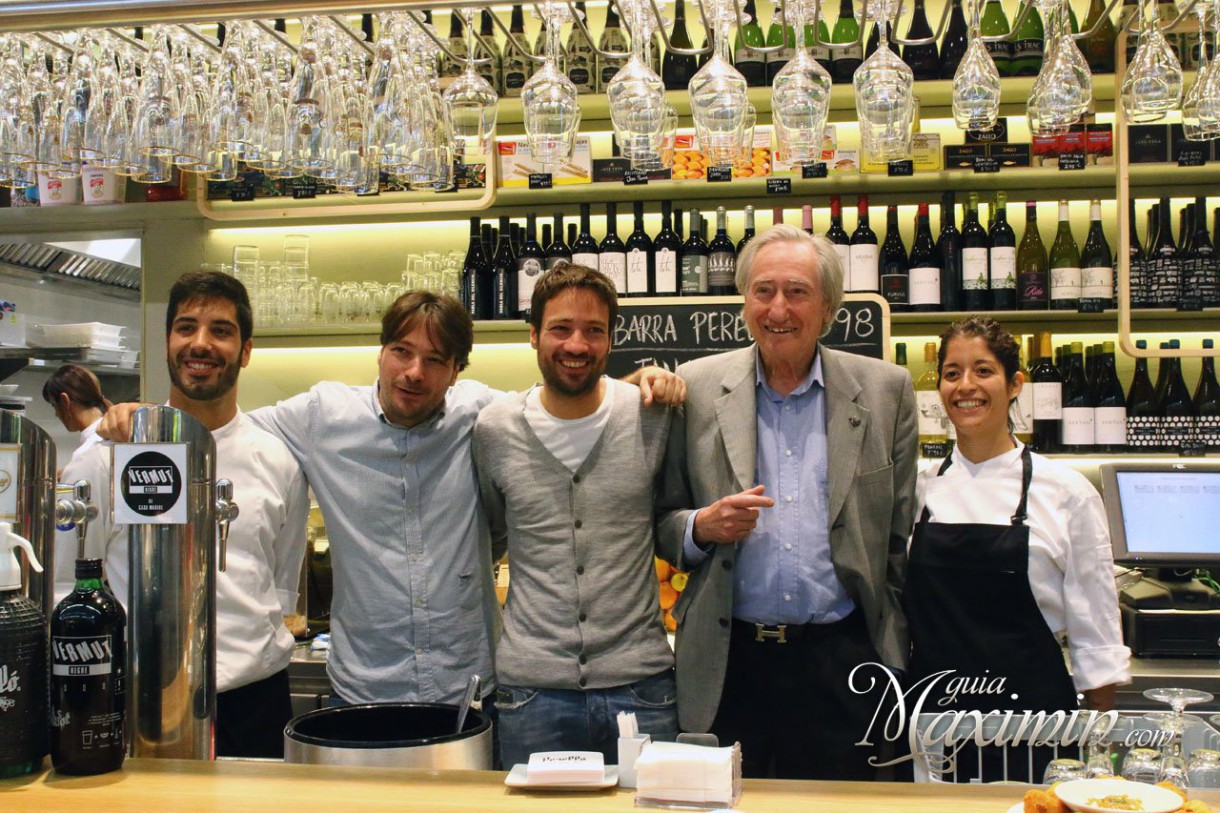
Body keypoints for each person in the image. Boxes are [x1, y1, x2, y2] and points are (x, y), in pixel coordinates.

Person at [97, 289, 681, 709]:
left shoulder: (486, 415)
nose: (413, 373)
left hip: (469, 692)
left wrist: (636, 382)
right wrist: (147, 419)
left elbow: (563, 398)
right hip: (363, 691)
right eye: (401, 351)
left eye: (434, 361)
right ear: (380, 351)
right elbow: (223, 425)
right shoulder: (321, 415)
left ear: (456, 372)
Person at [655, 224, 918, 780]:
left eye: (797, 291)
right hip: (731, 661)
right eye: (763, 290)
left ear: (828, 308)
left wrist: (888, 654)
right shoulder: (695, 388)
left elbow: (898, 540)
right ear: (744, 301)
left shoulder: (885, 391)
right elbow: (661, 520)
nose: (779, 308)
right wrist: (702, 527)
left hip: (845, 661)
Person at [95, 270, 310, 759]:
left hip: (254, 703)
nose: (201, 343)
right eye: (186, 327)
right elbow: (69, 584)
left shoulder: (278, 460)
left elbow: (277, 590)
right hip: (140, 701)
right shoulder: (113, 450)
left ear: (246, 350)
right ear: (168, 340)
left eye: (221, 330)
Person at [905, 315, 1129, 781]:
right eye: (952, 373)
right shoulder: (915, 492)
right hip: (933, 726)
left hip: (1034, 727)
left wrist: (1098, 758)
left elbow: (1098, 637)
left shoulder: (1065, 492)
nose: (966, 386)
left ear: (1015, 385)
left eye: (983, 370)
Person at [474, 265, 680, 767]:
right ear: (533, 335)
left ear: (611, 340)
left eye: (594, 330)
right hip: (531, 694)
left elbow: (672, 520)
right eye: (561, 328)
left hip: (643, 690)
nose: (577, 344)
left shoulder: (651, 414)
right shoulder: (495, 429)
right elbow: (493, 533)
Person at [44, 364, 125, 605]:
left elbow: (72, 558)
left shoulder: (89, 459)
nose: (57, 415)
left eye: (54, 406)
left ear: (65, 401)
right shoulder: (111, 446)